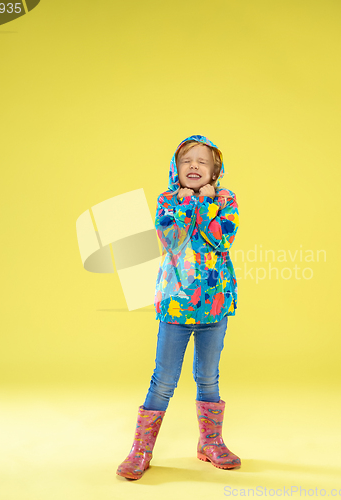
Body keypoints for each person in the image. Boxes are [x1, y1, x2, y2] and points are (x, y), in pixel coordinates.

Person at [116, 134, 241, 480]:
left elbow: (220, 238)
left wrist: (206, 203)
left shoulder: (226, 199)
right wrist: (187, 204)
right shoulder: (167, 201)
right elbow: (173, 239)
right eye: (186, 161)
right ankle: (140, 450)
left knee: (208, 377)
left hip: (215, 305)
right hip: (175, 306)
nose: (194, 166)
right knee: (164, 379)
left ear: (215, 171)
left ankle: (210, 442)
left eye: (202, 161)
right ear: (176, 169)